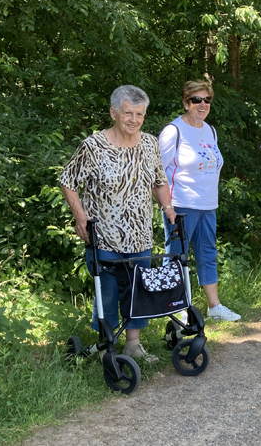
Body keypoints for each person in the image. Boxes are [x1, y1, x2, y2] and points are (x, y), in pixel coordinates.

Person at [60, 85, 176, 364]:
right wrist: (80, 216)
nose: (134, 120)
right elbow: (68, 181)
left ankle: (133, 345)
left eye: (139, 114)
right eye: (128, 113)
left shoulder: (149, 144)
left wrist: (168, 207)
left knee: (139, 291)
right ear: (113, 112)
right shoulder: (93, 146)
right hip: (104, 236)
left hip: (140, 236)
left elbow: (160, 180)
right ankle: (107, 345)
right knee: (108, 293)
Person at [159, 80, 240, 322]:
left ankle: (214, 306)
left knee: (207, 253)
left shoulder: (209, 130)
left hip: (208, 204)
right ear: (185, 103)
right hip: (181, 205)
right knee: (176, 255)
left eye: (207, 100)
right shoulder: (173, 131)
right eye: (196, 99)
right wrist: (167, 206)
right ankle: (175, 308)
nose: (202, 104)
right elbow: (156, 174)